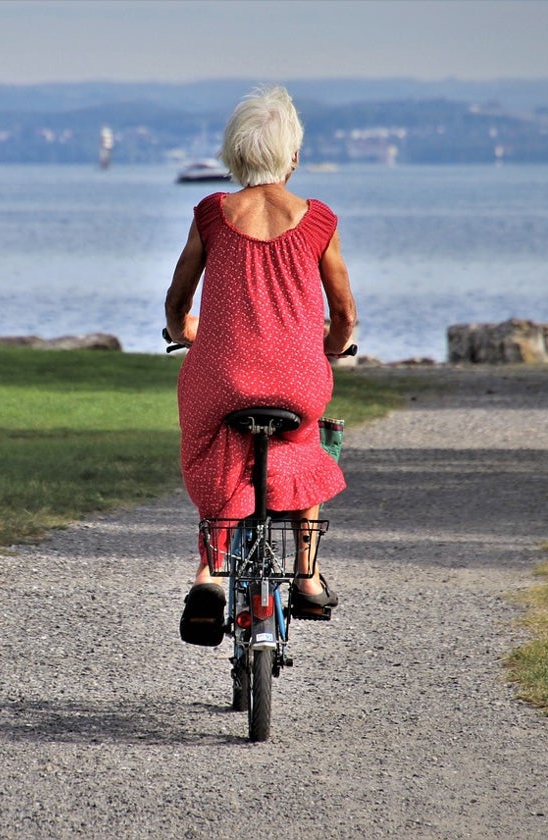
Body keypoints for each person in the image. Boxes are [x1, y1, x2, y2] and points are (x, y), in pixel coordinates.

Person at [164, 86, 357, 646]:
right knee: (304, 446)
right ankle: (307, 573)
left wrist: (186, 334)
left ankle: (210, 575)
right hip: (297, 379)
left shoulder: (212, 214)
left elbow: (178, 304)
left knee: (215, 442)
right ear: (292, 156)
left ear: (233, 154)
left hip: (222, 376)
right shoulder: (318, 220)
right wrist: (334, 345)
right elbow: (343, 312)